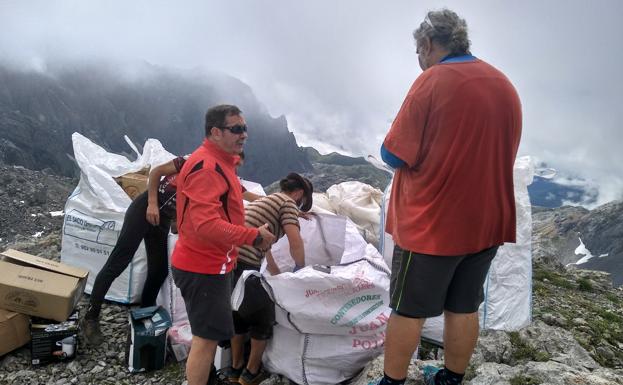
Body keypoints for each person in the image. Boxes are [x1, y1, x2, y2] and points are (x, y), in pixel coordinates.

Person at [375, 9, 522, 385]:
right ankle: (451, 379)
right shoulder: (503, 83)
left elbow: (394, 154)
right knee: (464, 306)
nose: (420, 60)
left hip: (433, 224)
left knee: (407, 310)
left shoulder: (432, 82)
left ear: (427, 45)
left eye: (418, 52)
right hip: (487, 220)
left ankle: (392, 382)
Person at [171, 104, 275, 385]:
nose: (244, 135)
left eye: (245, 128)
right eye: (237, 129)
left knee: (210, 334)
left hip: (209, 263)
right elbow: (205, 225)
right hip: (202, 266)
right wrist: (252, 236)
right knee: (205, 341)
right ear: (215, 132)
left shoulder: (220, 162)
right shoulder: (207, 168)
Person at [81, 155, 186, 344]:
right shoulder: (189, 161)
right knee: (119, 261)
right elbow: (156, 172)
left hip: (162, 219)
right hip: (145, 207)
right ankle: (91, 317)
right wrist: (152, 203)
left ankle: (144, 314)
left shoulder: (213, 176)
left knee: (159, 270)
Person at [220, 172, 313, 385]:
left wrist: (275, 271)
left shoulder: (268, 201)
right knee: (262, 319)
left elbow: (265, 247)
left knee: (238, 315)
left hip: (227, 261)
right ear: (298, 193)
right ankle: (251, 373)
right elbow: (295, 241)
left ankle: (235, 369)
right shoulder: (288, 203)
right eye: (302, 201)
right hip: (244, 264)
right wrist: (302, 271)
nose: (299, 206)